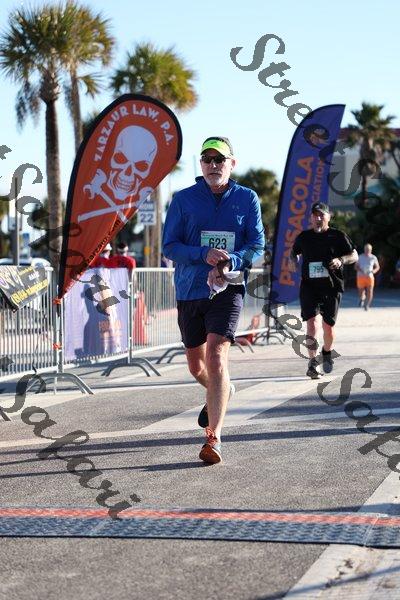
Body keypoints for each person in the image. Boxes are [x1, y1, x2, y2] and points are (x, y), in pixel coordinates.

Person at [162, 136, 264, 464]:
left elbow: (257, 244)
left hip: (228, 289)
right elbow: (169, 246)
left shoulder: (247, 198)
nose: (213, 165)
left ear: (232, 163)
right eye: (207, 159)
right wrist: (203, 254)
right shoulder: (183, 200)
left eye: (219, 159)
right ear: (201, 164)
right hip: (190, 289)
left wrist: (231, 260)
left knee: (217, 355)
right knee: (197, 365)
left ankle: (214, 438)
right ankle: (222, 389)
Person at [291, 202, 358, 379]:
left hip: (331, 287)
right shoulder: (304, 237)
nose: (318, 218)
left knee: (328, 327)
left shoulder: (338, 236)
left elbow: (354, 255)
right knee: (312, 323)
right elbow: (294, 252)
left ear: (329, 217)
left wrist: (340, 260)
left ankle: (326, 351)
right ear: (311, 218)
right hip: (309, 286)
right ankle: (313, 363)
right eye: (315, 215)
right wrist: (294, 261)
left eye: (322, 215)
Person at [355, 244, 380, 310]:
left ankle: (367, 305)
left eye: (368, 249)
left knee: (370, 291)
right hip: (361, 276)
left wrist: (373, 271)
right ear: (364, 249)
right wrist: (361, 270)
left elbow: (377, 267)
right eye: (366, 249)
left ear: (371, 250)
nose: (367, 251)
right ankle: (362, 298)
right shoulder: (360, 257)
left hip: (370, 276)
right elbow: (355, 267)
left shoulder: (373, 257)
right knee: (361, 291)